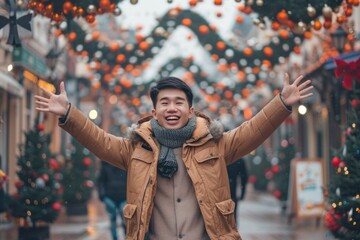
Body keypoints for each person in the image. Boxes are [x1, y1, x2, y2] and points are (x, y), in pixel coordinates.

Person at [35, 74, 313, 240]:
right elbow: (99, 140)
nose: (172, 108)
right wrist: (69, 114)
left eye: (179, 102)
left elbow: (252, 131)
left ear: (191, 111)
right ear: (154, 112)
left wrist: (281, 104)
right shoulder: (136, 149)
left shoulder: (215, 145)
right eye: (164, 102)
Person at [98, 161, 127, 240]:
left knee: (125, 220)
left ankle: (126, 237)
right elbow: (101, 181)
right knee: (114, 220)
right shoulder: (106, 165)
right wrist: (103, 196)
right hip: (111, 198)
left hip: (123, 197)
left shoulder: (125, 164)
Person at [227, 158, 248, 224]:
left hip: (227, 192)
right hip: (232, 192)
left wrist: (242, 192)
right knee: (232, 216)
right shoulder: (239, 160)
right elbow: (244, 178)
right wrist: (242, 192)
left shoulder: (225, 158)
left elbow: (244, 178)